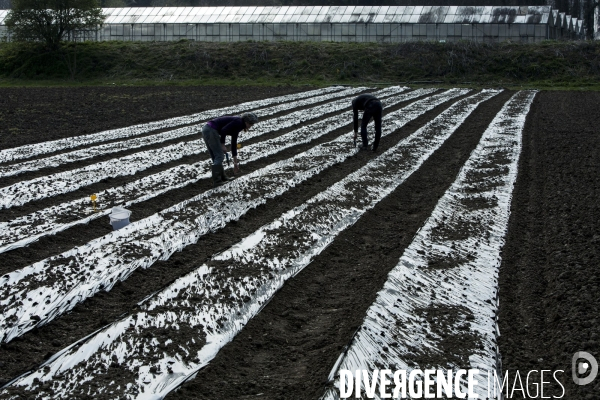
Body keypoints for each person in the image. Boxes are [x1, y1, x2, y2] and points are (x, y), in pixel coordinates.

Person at [202, 112, 258, 186]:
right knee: (219, 156)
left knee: (217, 156)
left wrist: (235, 163)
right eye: (251, 124)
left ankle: (223, 177)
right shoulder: (238, 122)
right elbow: (223, 130)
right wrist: (222, 145)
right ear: (246, 122)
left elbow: (234, 144)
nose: (251, 126)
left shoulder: (239, 125)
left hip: (207, 129)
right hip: (211, 130)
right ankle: (217, 181)